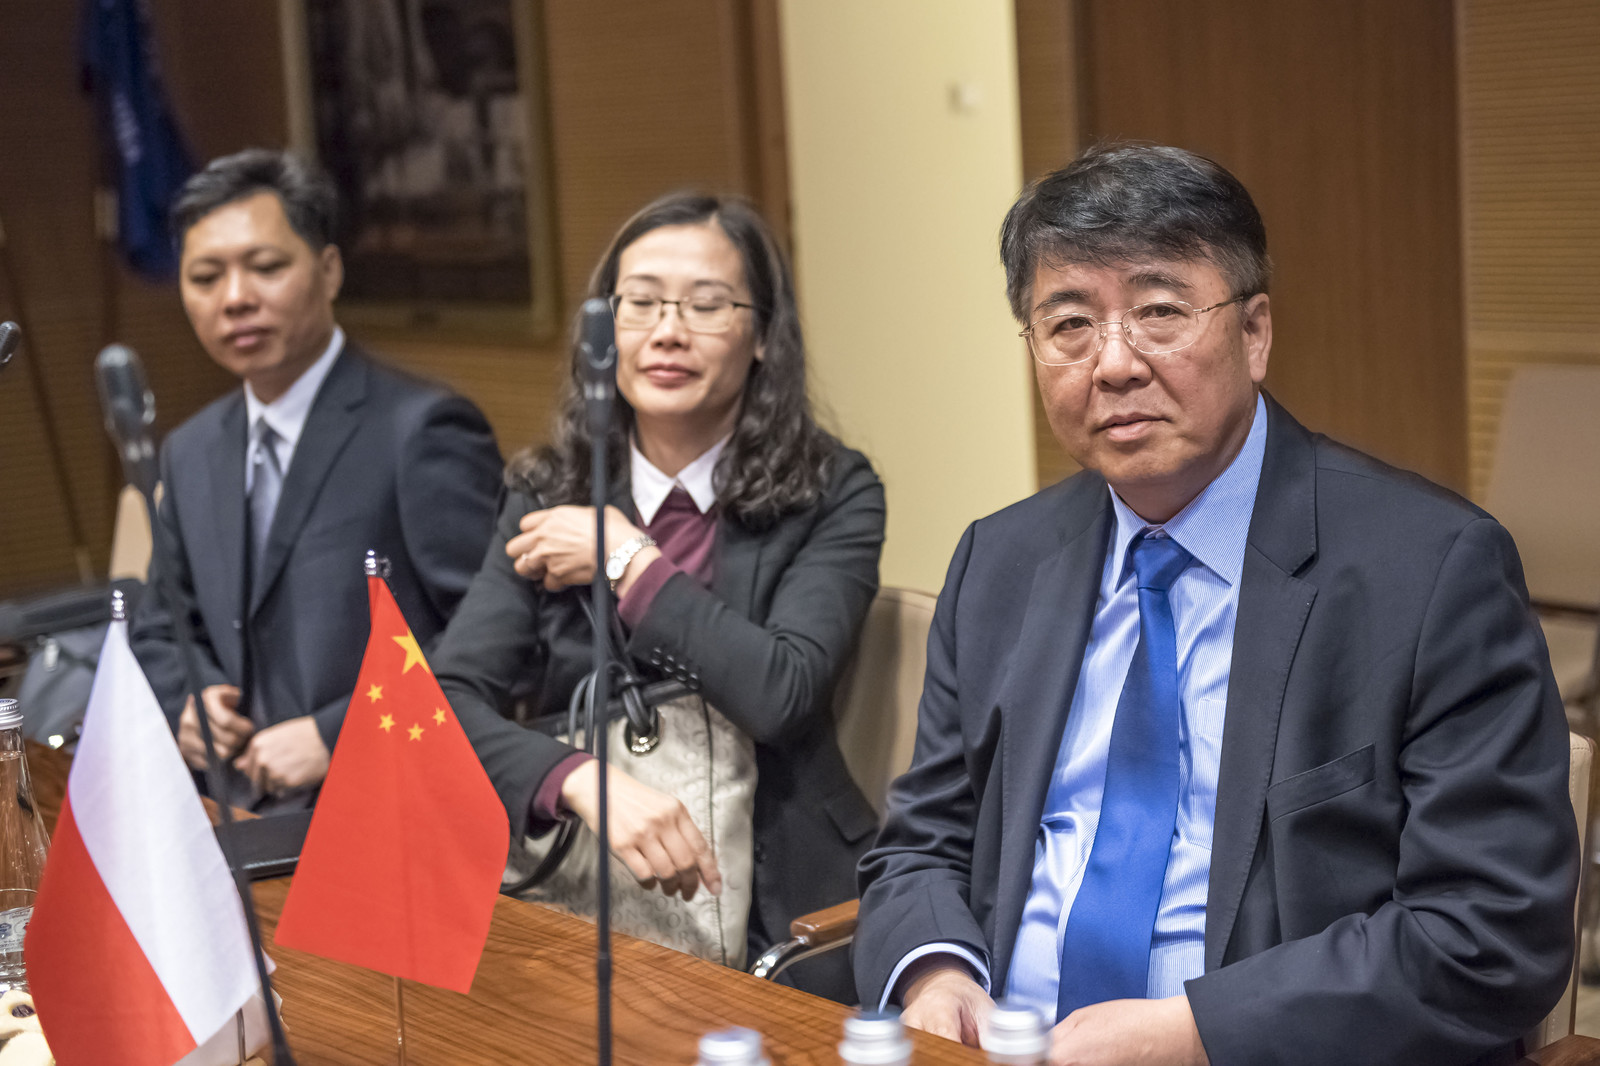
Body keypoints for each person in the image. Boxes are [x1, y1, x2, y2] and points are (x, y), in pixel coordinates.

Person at [853, 144, 1577, 1066]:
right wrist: (935, 975)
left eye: (1159, 311)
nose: (1114, 364)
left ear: (1255, 332)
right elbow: (921, 844)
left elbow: (1490, 929)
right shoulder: (1001, 560)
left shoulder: (1430, 570)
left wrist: (1197, 1035)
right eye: (1069, 324)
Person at [431, 192, 885, 1002]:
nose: (667, 332)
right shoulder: (547, 488)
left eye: (706, 305)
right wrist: (578, 779)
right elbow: (443, 703)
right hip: (580, 889)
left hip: (782, 905)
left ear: (763, 337)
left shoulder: (832, 490)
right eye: (638, 303)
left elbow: (781, 693)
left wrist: (625, 556)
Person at [131, 149, 502, 811]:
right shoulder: (191, 450)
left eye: (266, 267)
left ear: (329, 271)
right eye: (206, 277)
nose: (236, 299)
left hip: (392, 805)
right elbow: (162, 628)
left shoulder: (421, 429)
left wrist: (342, 732)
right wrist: (187, 700)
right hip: (236, 816)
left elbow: (496, 634)